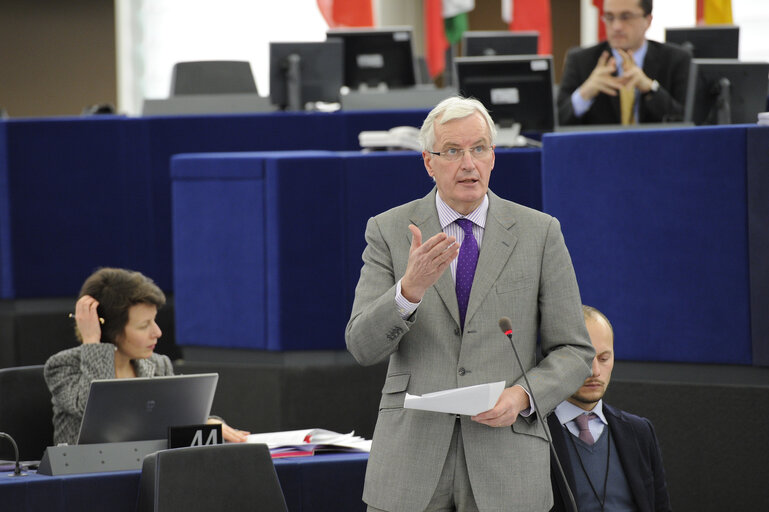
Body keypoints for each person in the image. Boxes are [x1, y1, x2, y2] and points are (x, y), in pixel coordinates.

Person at [345, 96, 595, 512]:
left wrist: (522, 397)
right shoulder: (389, 231)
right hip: (412, 461)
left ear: (493, 156)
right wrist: (409, 291)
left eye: (479, 148)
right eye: (453, 151)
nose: (468, 163)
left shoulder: (540, 233)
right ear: (428, 162)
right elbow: (362, 345)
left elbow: (574, 350)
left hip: (506, 459)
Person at [44, 267, 249, 445]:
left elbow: (176, 415)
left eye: (154, 321)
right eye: (144, 326)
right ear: (108, 329)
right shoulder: (62, 366)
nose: (157, 332)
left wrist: (205, 421)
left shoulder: (158, 364)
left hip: (151, 475)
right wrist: (92, 341)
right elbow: (96, 410)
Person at [547, 305, 671, 512]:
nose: (595, 371)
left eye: (604, 358)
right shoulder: (533, 434)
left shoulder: (639, 431)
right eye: (584, 359)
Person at [557, 0, 691, 126]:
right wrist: (584, 93)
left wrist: (651, 89)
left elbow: (690, 122)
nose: (616, 26)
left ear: (648, 21)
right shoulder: (580, 60)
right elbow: (556, 123)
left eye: (626, 17)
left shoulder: (676, 59)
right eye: (609, 17)